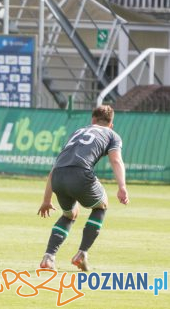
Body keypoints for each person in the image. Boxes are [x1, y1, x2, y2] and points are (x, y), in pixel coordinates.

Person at [37, 105, 129, 271]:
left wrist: (46, 200)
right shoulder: (112, 135)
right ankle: (82, 254)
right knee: (102, 205)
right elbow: (116, 160)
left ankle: (48, 258)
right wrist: (122, 186)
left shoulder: (78, 132)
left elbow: (55, 166)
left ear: (92, 120)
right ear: (111, 124)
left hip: (58, 175)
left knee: (70, 214)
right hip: (80, 174)